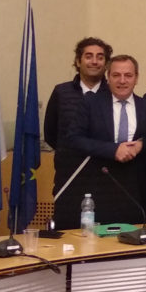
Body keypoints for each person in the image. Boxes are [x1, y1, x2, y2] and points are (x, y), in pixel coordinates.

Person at [63, 55, 146, 227]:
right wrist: (112, 150)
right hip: (100, 186)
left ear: (136, 78)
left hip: (137, 189)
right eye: (116, 75)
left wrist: (141, 144)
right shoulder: (90, 103)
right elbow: (74, 138)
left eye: (128, 75)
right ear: (108, 77)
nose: (122, 81)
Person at [45, 37, 112, 211]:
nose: (94, 61)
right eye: (89, 56)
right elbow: (51, 133)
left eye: (100, 57)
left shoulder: (113, 94)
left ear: (106, 64)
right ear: (78, 61)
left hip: (105, 176)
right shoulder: (61, 92)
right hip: (69, 174)